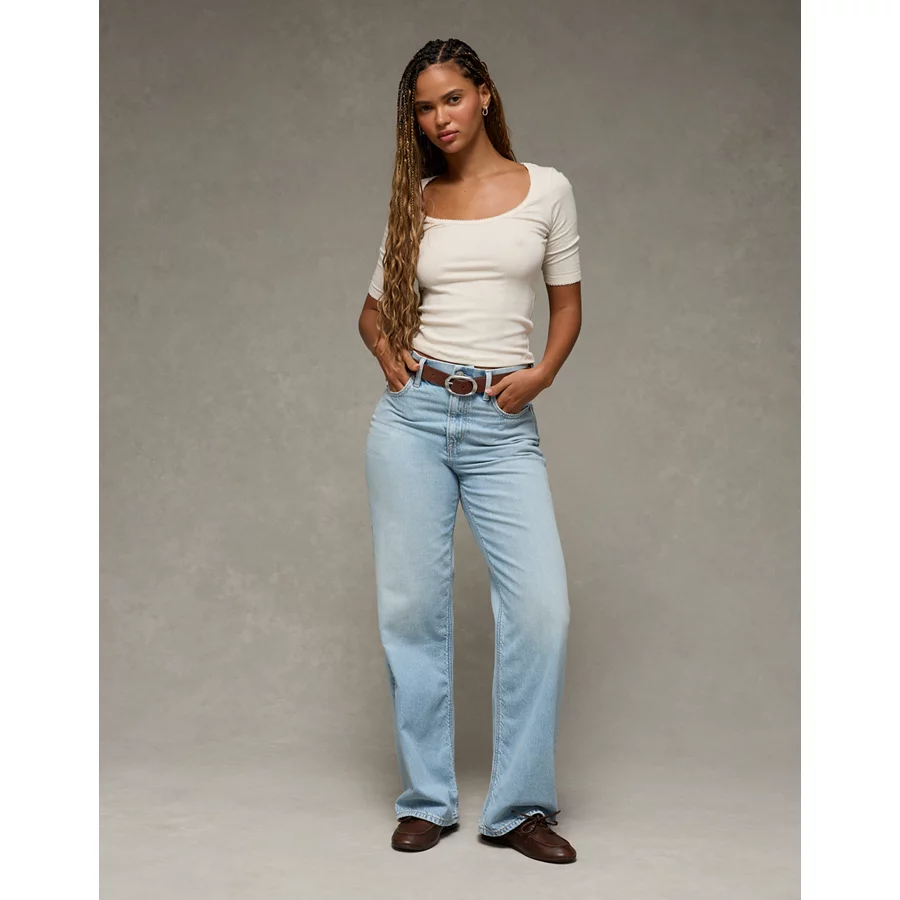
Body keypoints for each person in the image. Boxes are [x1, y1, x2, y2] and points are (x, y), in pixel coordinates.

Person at [358, 38, 582, 864]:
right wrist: (389, 357)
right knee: (411, 612)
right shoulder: (416, 200)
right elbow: (372, 312)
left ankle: (520, 810)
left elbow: (567, 306)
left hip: (501, 428)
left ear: (484, 93)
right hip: (412, 421)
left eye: (451, 98)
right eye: (423, 107)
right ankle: (428, 799)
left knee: (541, 610)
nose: (438, 118)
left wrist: (542, 374)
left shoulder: (547, 189)